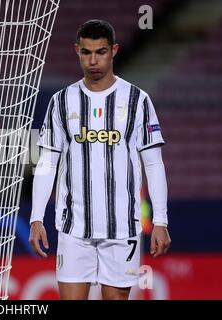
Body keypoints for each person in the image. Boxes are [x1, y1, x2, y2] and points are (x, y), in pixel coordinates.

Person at [29, 20, 171, 300]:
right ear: (77, 51)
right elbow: (47, 163)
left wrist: (160, 221)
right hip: (73, 228)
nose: (93, 60)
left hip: (122, 228)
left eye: (101, 52)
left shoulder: (137, 100)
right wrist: (36, 217)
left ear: (114, 50)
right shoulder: (61, 101)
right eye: (86, 52)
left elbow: (153, 163)